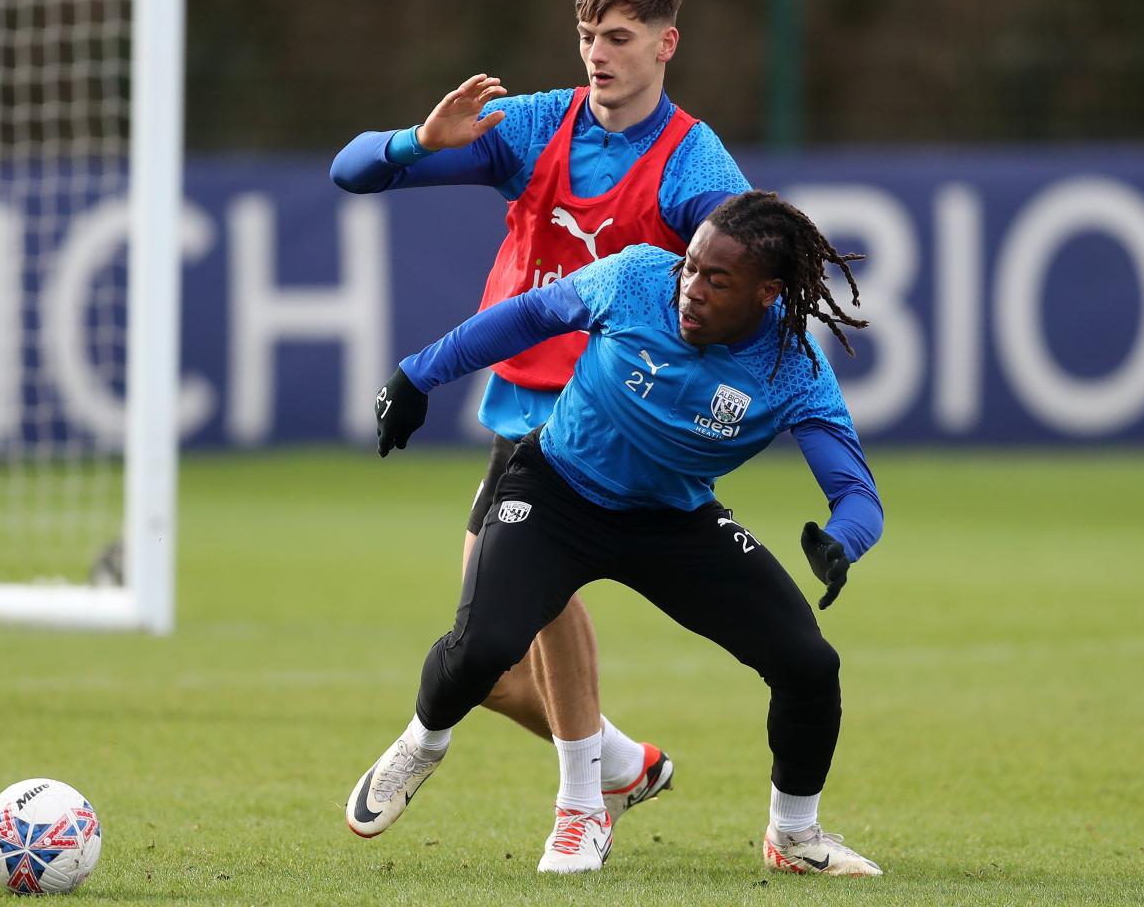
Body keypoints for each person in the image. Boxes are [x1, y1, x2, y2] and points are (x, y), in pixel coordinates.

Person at [332, 0, 751, 839]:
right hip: (522, 404)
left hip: (607, 413)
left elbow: (744, 266)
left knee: (538, 573)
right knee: (485, 659)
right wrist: (420, 141)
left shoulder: (691, 160)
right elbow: (352, 171)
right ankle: (623, 764)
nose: (599, 55)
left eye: (620, 39)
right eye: (589, 37)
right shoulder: (531, 127)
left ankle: (578, 802)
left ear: (666, 45)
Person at [369, 190, 886, 876]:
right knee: (484, 649)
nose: (691, 290)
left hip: (673, 521)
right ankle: (422, 742)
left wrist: (840, 542)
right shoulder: (637, 276)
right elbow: (524, 318)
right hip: (556, 493)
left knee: (810, 665)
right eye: (692, 267)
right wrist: (418, 374)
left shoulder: (793, 368)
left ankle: (793, 836)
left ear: (767, 294)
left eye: (716, 280)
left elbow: (856, 492)